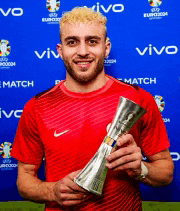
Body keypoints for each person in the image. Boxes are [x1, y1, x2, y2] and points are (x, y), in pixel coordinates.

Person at [12, 7, 174, 211]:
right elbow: (24, 180)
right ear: (60, 50)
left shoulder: (138, 99)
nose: (82, 51)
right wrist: (52, 191)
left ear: (106, 48)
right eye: (72, 42)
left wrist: (140, 168)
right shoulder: (37, 106)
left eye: (92, 41)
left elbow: (166, 173)